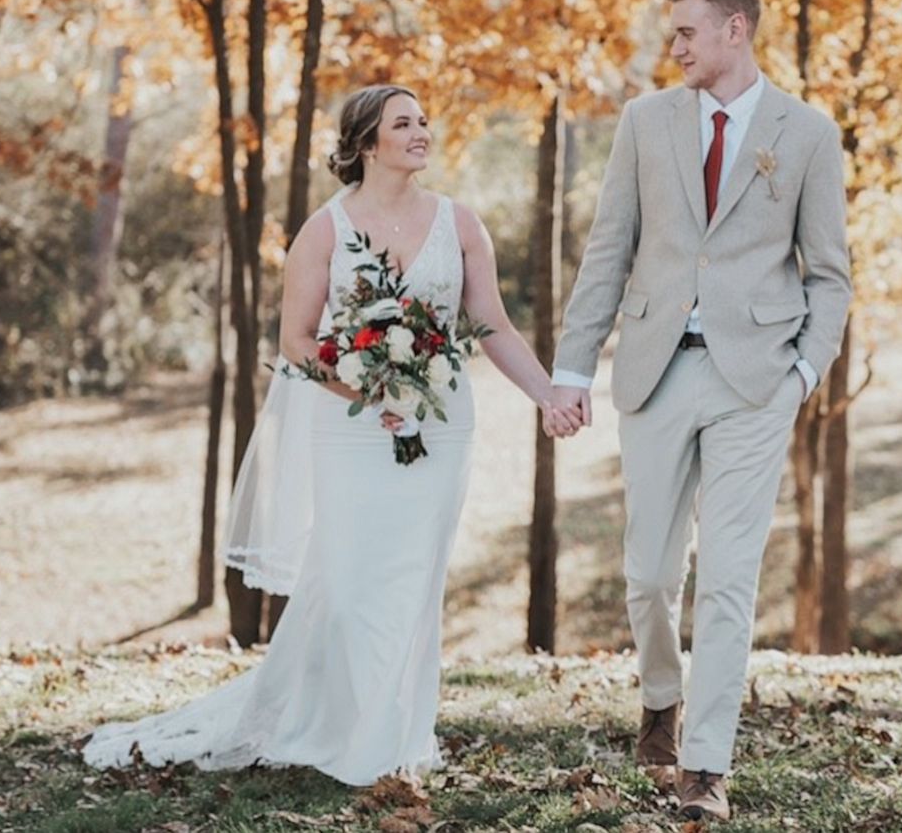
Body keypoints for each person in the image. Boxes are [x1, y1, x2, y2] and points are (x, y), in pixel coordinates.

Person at [82, 84, 582, 785]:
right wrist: (370, 387)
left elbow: (490, 322)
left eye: (424, 121)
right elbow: (294, 341)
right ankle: (330, 721)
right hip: (351, 427)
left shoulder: (461, 224)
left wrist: (546, 395)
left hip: (440, 427)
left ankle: (393, 738)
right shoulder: (325, 230)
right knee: (348, 586)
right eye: (403, 123)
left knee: (413, 583)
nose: (421, 132)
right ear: (366, 143)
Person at [549, 0, 852, 821]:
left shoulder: (807, 133)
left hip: (756, 379)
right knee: (648, 574)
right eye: (672, 31)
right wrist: (573, 369)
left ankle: (705, 769)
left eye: (686, 31)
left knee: (728, 575)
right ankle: (659, 696)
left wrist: (801, 373)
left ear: (735, 30)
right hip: (654, 367)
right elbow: (607, 250)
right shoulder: (646, 123)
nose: (673, 46)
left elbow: (830, 275)